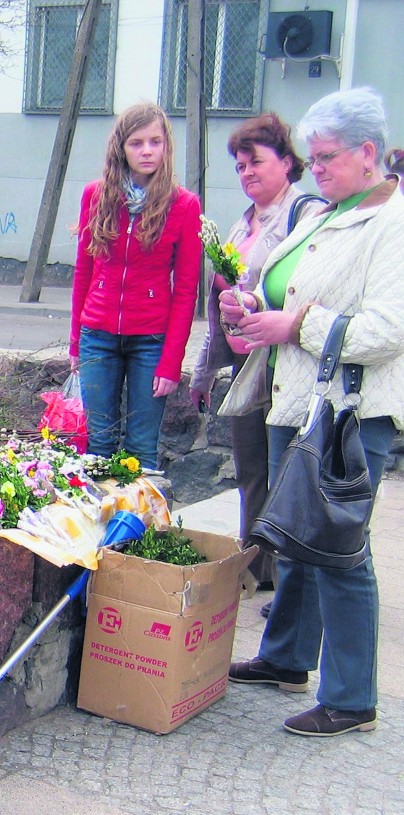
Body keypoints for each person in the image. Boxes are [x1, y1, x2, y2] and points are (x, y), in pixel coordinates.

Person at [221, 87, 404, 737]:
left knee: (340, 549)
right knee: (295, 534)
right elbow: (278, 284)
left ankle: (353, 698)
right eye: (313, 157)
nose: (316, 168)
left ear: (368, 153)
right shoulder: (326, 212)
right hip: (297, 398)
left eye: (327, 157)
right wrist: (243, 310)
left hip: (349, 412)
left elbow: (388, 328)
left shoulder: (390, 223)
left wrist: (296, 325)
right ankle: (286, 658)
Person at [191, 113, 318, 589]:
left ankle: (285, 578)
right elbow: (221, 298)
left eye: (256, 162)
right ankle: (256, 569)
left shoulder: (305, 215)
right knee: (251, 469)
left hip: (285, 359)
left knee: (285, 470)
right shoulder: (241, 224)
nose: (246, 173)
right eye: (239, 166)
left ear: (287, 162)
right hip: (246, 362)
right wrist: (204, 372)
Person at [70, 102, 202, 472]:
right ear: (121, 149)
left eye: (155, 142)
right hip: (98, 334)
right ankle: (98, 527)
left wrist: (171, 360)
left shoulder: (184, 205)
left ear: (166, 147)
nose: (147, 151)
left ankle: (136, 529)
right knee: (98, 444)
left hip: (150, 340)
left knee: (141, 448)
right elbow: (84, 270)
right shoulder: (95, 196)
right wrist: (76, 342)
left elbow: (187, 288)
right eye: (137, 143)